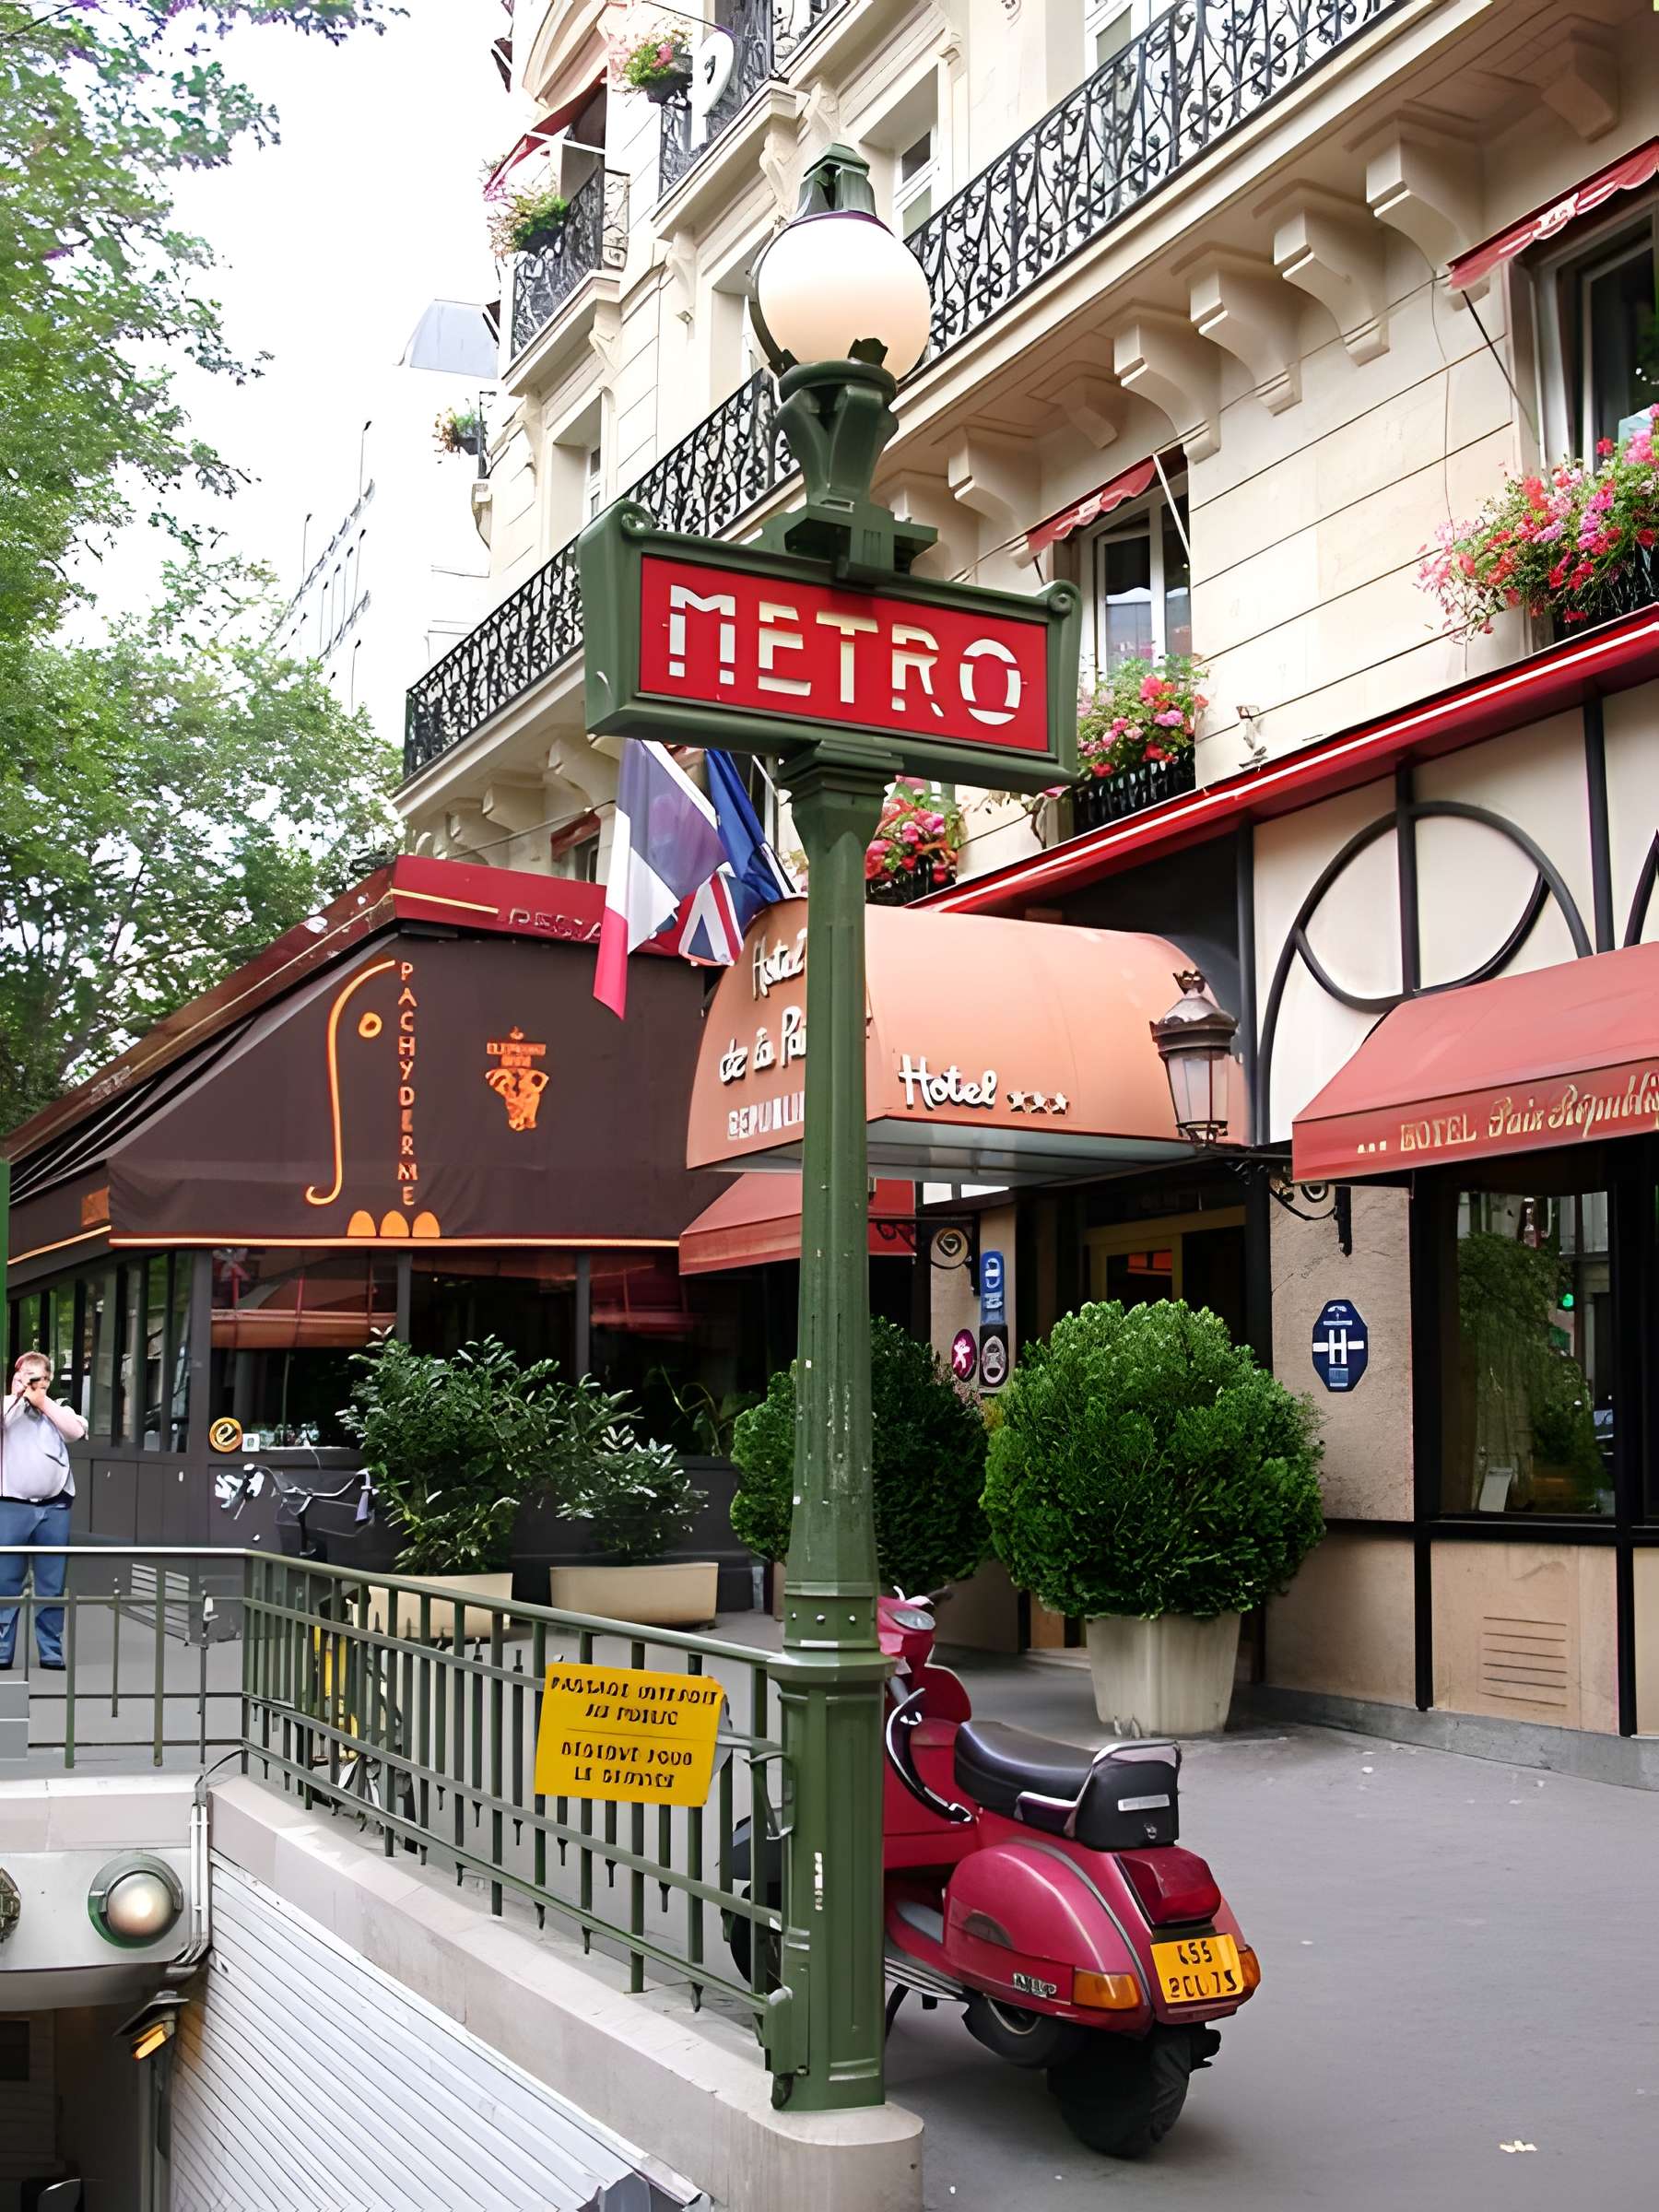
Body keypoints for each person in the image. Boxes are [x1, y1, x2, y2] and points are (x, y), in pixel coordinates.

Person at [0, 1351, 88, 1669]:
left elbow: (75, 1432)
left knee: (52, 1583)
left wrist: (42, 1401)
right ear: (17, 1375)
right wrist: (16, 1395)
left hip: (55, 1508)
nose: (34, 1382)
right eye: (29, 1376)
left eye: (41, 1377)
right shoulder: (6, 1408)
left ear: (49, 1381)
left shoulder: (58, 1409)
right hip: (11, 1506)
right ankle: (1, 1649)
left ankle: (51, 1651)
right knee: (5, 1582)